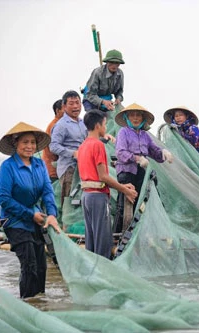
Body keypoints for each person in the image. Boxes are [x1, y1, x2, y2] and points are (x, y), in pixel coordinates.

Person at [0, 122, 61, 299]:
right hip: (15, 221)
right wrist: (30, 214)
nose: (30, 146)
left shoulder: (39, 165)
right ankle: (26, 304)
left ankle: (40, 305)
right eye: (25, 142)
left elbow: (48, 191)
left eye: (32, 142)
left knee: (41, 266)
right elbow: (4, 199)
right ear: (15, 143)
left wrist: (52, 215)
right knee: (29, 265)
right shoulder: (7, 167)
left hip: (36, 221)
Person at [77, 110, 138, 259]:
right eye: (105, 124)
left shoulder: (83, 146)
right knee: (103, 241)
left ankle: (92, 274)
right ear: (98, 125)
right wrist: (125, 189)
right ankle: (103, 274)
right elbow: (103, 176)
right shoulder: (97, 145)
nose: (105, 127)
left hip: (86, 196)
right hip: (97, 197)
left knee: (91, 239)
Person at [114, 103, 174, 232]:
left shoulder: (145, 135)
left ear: (143, 119)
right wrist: (137, 158)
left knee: (143, 203)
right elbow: (120, 152)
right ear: (127, 118)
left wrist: (164, 152)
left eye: (138, 116)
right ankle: (119, 235)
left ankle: (141, 233)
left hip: (142, 172)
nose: (135, 118)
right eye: (132, 115)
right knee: (125, 205)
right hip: (127, 172)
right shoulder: (123, 132)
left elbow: (154, 151)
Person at [49, 90, 87, 209]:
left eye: (77, 102)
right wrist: (73, 153)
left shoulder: (83, 122)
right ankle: (66, 228)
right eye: (71, 103)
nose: (75, 106)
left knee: (81, 204)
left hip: (83, 168)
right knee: (70, 205)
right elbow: (53, 146)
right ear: (64, 106)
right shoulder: (61, 125)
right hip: (68, 170)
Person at [42, 99, 64, 182]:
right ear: (58, 111)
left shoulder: (58, 124)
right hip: (53, 170)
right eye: (65, 109)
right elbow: (56, 149)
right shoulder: (55, 126)